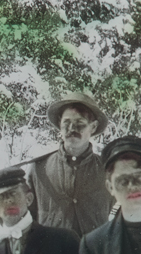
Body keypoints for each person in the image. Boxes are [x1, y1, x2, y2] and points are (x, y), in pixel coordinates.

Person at [20, 92, 113, 237]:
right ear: (59, 124)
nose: (72, 129)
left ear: (93, 127)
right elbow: (21, 216)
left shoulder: (108, 169)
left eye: (80, 123)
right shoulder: (39, 169)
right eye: (66, 123)